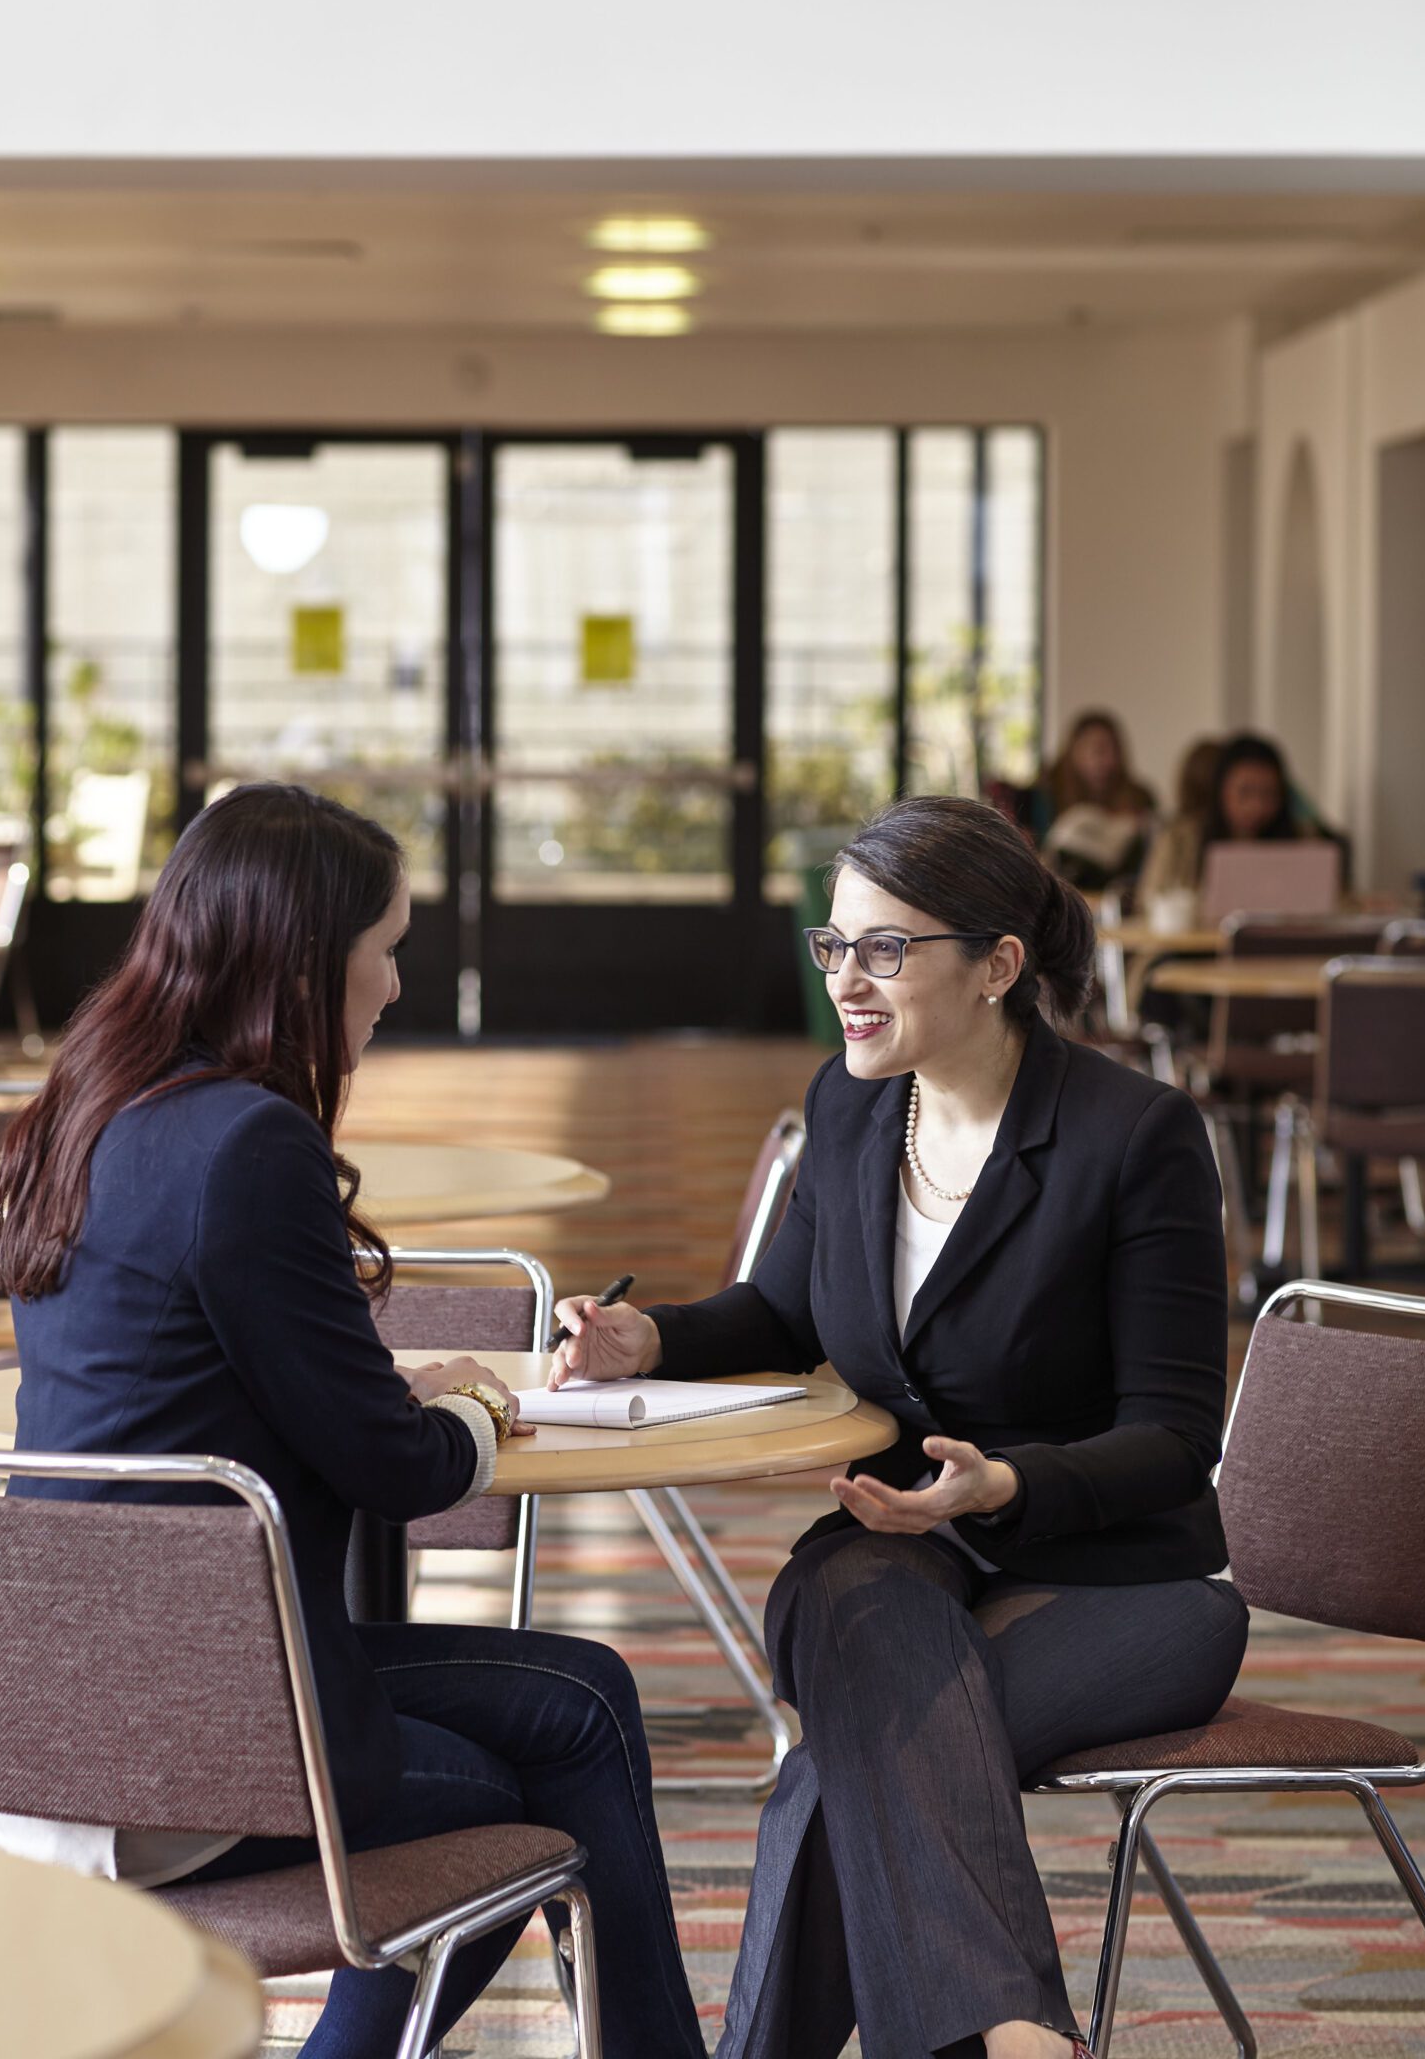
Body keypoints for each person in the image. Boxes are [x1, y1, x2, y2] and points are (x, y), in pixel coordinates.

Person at [0, 784, 706, 2059]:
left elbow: (243, 1384)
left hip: (57, 1702)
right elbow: (399, 1467)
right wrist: (477, 1397)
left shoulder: (86, 1106)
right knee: (545, 1781)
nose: (395, 987)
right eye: (388, 950)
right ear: (310, 961)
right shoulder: (248, 1146)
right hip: (195, 1743)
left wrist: (390, 1401)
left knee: (584, 1687)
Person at [551, 795, 1246, 2059]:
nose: (847, 983)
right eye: (835, 946)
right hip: (895, 1554)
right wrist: (652, 1340)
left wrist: (1004, 1486)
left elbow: (1175, 1434)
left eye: (885, 949)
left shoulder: (1131, 1137)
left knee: (836, 1778)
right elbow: (782, 1307)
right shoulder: (856, 1105)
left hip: (1123, 1581)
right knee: (856, 1612)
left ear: (997, 965)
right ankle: (1017, 2038)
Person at [1136, 728, 1320, 909]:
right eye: (1245, 792)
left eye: (1269, 794)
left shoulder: (1303, 839)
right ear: (1221, 790)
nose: (1256, 806)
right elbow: (1148, 903)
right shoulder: (1180, 839)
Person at [1030, 710, 1156, 893]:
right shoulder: (1045, 796)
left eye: (1115, 751)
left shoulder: (1140, 798)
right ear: (1075, 751)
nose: (1109, 760)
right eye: (1099, 750)